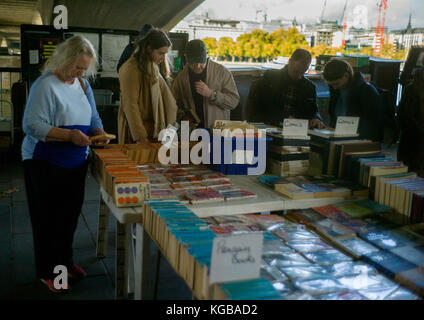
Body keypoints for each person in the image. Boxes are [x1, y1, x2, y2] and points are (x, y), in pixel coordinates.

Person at [22, 35, 108, 293]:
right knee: (47, 220)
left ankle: (65, 262)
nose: (80, 72)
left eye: (84, 68)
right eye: (77, 67)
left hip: (75, 161)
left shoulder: (82, 85)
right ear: (64, 59)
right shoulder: (44, 85)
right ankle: (48, 271)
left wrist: (99, 132)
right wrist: (69, 135)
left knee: (69, 217)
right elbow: (32, 125)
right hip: (44, 162)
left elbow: (93, 116)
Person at [118, 29, 177, 144]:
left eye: (165, 54)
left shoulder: (153, 67)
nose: (163, 58)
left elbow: (170, 103)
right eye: (160, 53)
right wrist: (140, 137)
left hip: (155, 131)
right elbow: (130, 105)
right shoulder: (130, 69)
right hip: (137, 134)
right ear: (149, 49)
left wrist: (169, 132)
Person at [247, 48, 325, 129]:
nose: (298, 76)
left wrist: (316, 119)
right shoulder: (271, 78)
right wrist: (284, 118)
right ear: (290, 62)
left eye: (302, 73)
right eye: (296, 71)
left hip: (295, 129)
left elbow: (313, 111)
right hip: (270, 125)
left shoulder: (309, 87)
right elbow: (260, 108)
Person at [171, 39, 240, 129]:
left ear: (206, 55)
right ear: (186, 57)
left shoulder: (222, 72)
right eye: (193, 63)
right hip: (191, 132)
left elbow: (233, 101)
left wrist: (212, 94)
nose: (198, 66)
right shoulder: (181, 77)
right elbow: (173, 103)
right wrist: (183, 117)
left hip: (217, 131)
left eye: (201, 62)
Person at [323, 59, 383, 141]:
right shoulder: (336, 90)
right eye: (331, 84)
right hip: (341, 137)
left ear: (346, 75)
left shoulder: (367, 91)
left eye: (336, 83)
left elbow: (373, 124)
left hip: (361, 141)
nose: (334, 87)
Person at [397, 66, 424, 177]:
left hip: (411, 145)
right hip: (416, 146)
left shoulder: (411, 88)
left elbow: (403, 118)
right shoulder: (413, 89)